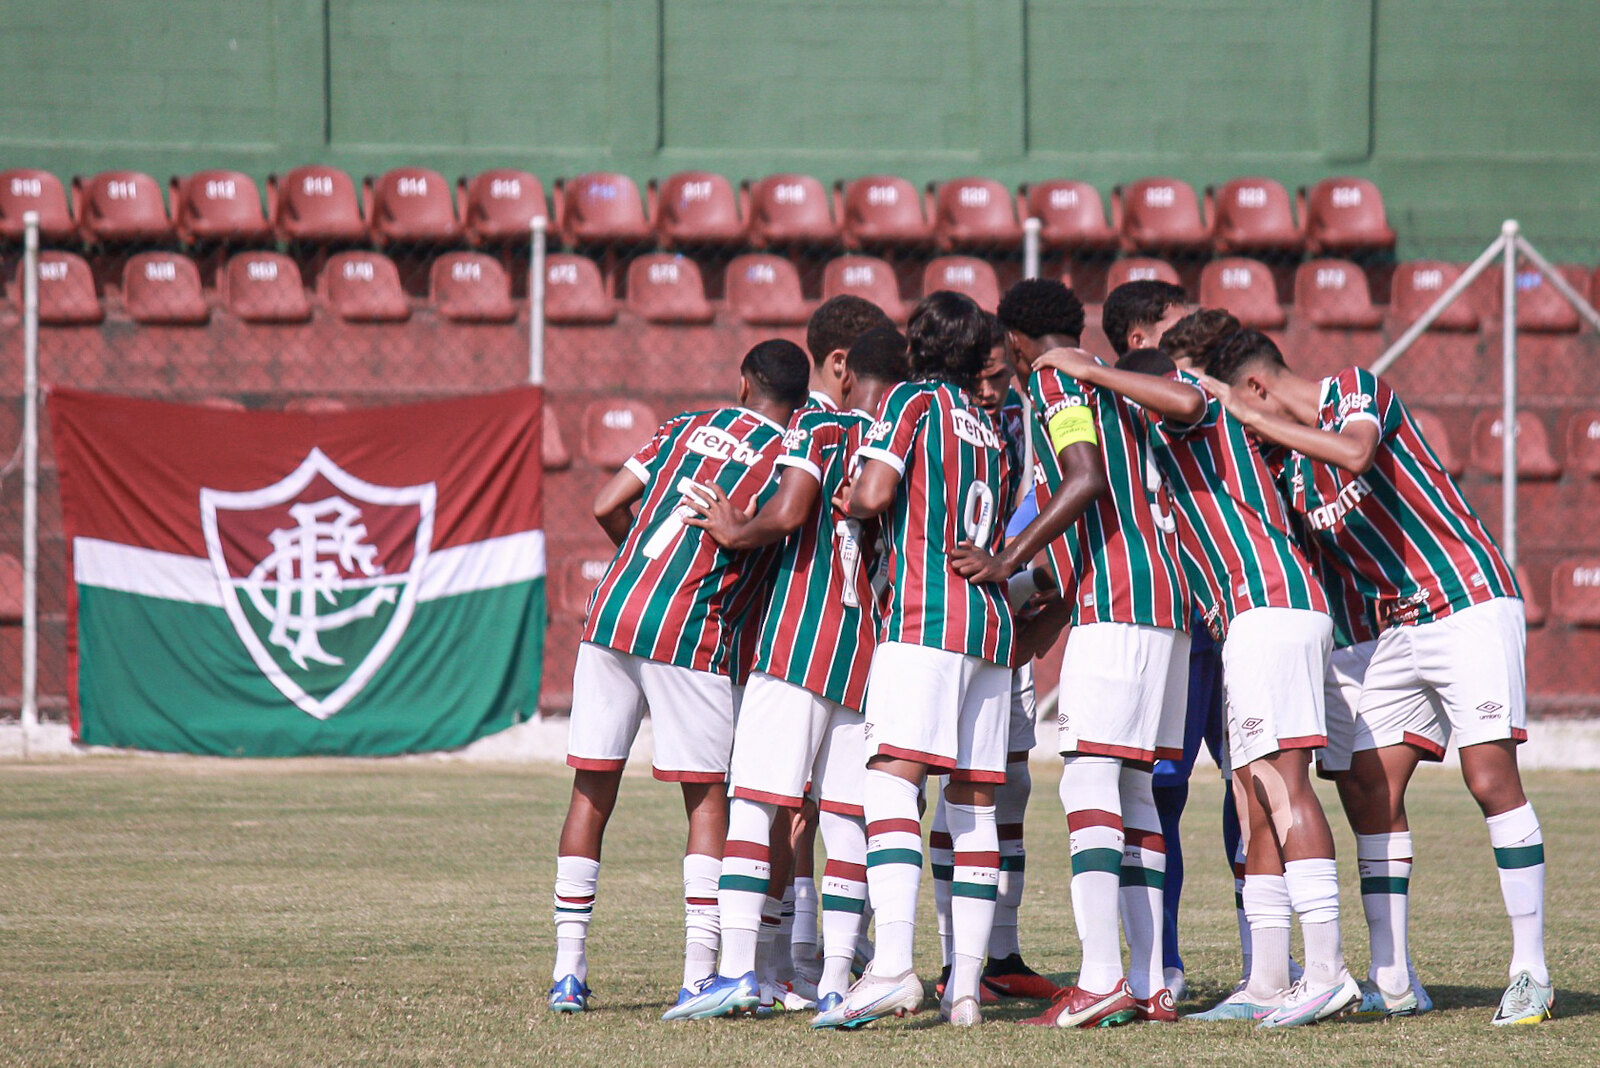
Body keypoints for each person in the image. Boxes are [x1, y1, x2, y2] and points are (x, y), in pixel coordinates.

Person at [1201, 329, 1553, 1027]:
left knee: (1488, 778)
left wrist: (1244, 414)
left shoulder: (1354, 390)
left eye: (1244, 411)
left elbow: (1358, 453)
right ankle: (1394, 979)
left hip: (1469, 600)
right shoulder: (1291, 471)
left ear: (1257, 389)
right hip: (1396, 630)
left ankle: (1531, 972)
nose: (1249, 430)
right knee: (1367, 786)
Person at [1036, 340, 1357, 1028]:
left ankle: (1328, 970)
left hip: (1270, 602)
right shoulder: (1176, 451)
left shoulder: (1195, 403)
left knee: (1283, 786)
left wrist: (1091, 371)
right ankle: (1268, 979)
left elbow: (1184, 396)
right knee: (1254, 795)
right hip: (1247, 615)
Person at [547, 339, 811, 1015]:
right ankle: (698, 975)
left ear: (744, 384)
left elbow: (607, 504)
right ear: (801, 400)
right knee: (706, 799)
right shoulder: (790, 455)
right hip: (690, 628)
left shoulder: (686, 424)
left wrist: (645, 567)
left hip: (613, 612)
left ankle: (568, 972)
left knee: (591, 792)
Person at [957, 279, 1190, 1027]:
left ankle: (1098, 978)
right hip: (1167, 600)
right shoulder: (1114, 383)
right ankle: (1149, 982)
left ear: (1015, 340)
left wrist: (1007, 558)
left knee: (1088, 781)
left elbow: (1085, 479)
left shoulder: (1060, 380)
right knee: (1136, 791)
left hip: (1118, 602)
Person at [660, 327, 910, 1020]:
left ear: (843, 371)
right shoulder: (899, 441)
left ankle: (736, 970)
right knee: (847, 817)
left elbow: (793, 508)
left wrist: (738, 530)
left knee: (755, 801)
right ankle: (833, 980)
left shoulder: (818, 426)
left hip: (799, 639)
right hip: (865, 647)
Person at [814, 291, 1015, 1030]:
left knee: (890, 784)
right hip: (989, 628)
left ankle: (893, 967)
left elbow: (875, 493)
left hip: (925, 616)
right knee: (974, 805)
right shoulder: (993, 427)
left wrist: (847, 496)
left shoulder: (911, 400)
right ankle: (966, 989)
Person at [929, 315, 1064, 1007]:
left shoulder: (1023, 424)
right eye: (979, 378)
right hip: (937, 625)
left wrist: (1030, 581)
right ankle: (948, 959)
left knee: (1008, 783)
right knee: (943, 787)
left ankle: (999, 955)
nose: (991, 391)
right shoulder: (930, 414)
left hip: (1003, 616)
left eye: (1000, 378)